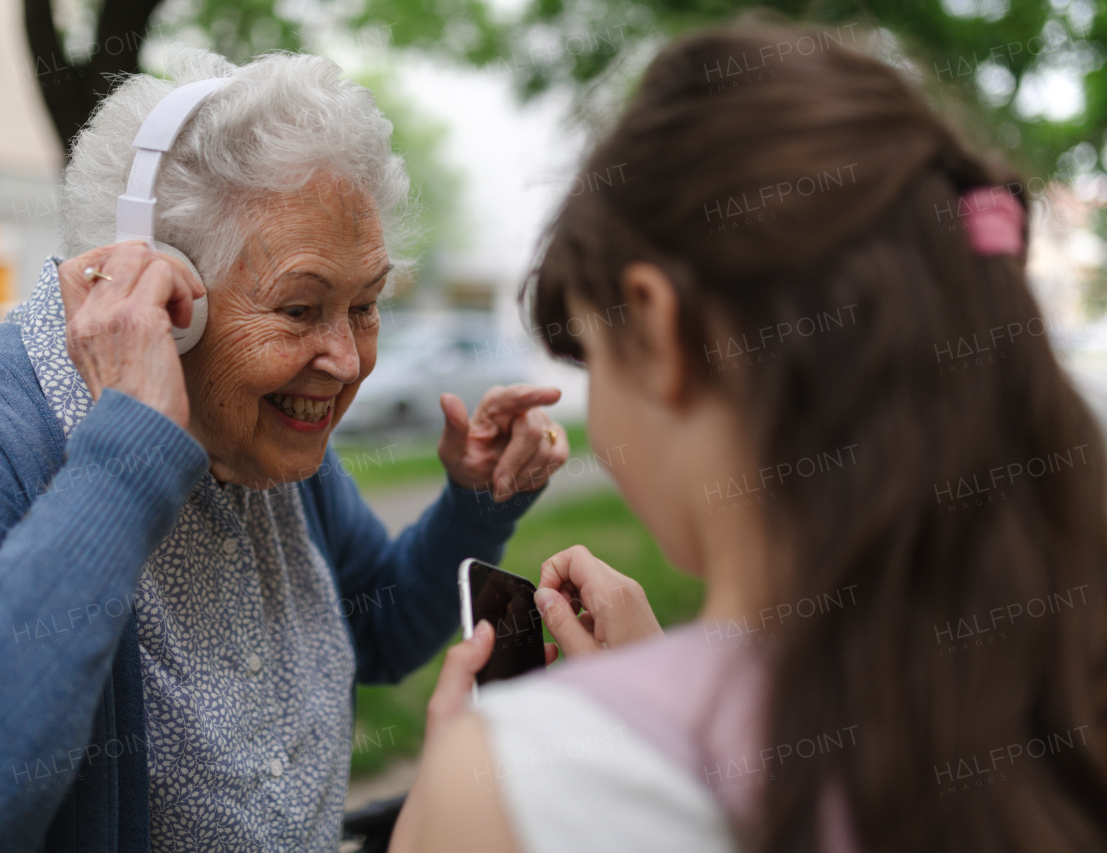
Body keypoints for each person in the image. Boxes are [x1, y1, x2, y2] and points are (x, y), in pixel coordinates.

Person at [0, 48, 570, 852]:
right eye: (299, 307)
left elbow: (377, 629)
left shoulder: (255, 428)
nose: (348, 360)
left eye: (365, 303)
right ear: (163, 293)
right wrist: (128, 458)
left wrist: (475, 505)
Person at [389, 22, 1107, 853]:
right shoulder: (1054, 689)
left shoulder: (525, 783)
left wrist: (463, 794)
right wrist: (665, 691)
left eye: (594, 352)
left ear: (657, 326)